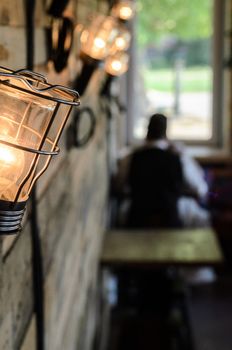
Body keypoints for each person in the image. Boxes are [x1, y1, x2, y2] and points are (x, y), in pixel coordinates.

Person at [114, 113, 210, 228]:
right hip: (170, 220)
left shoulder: (131, 157)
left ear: (147, 133)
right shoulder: (177, 158)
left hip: (137, 219)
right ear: (165, 134)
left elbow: (118, 186)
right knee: (201, 218)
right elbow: (201, 189)